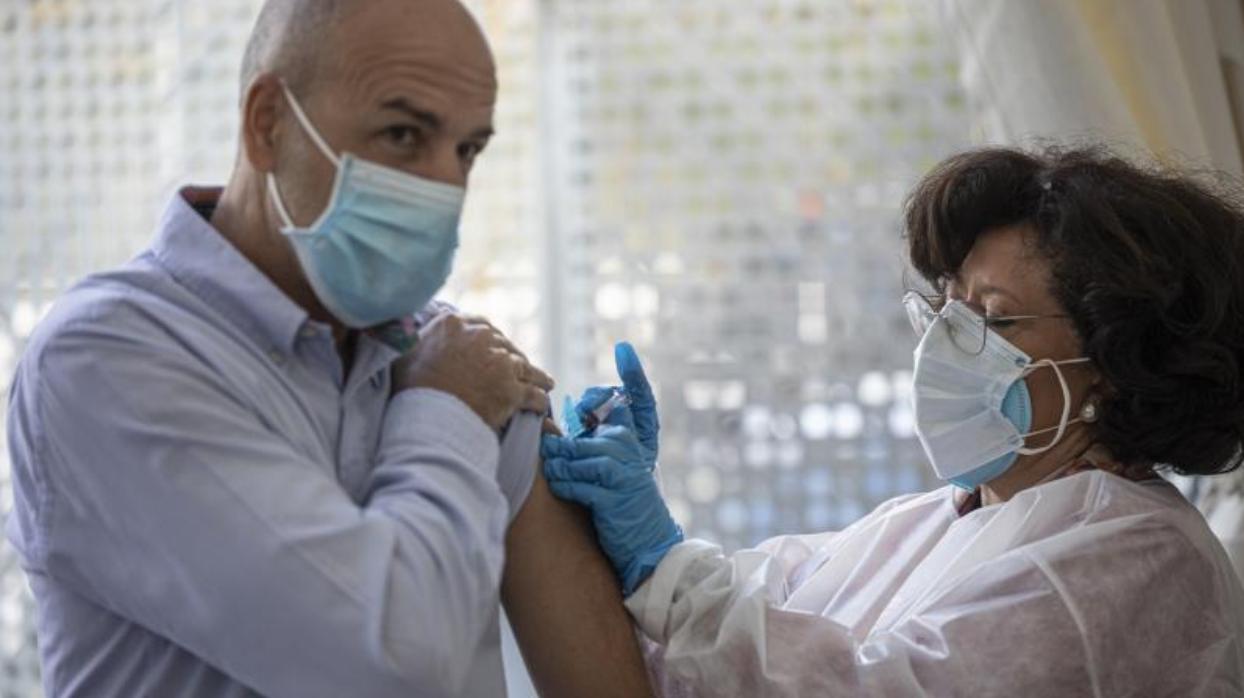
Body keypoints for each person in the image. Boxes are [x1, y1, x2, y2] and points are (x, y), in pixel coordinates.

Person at [4, 1, 652, 696]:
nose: (444, 187)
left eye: (467, 150)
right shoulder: (105, 360)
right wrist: (443, 415)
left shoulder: (458, 358)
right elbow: (383, 664)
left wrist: (663, 569)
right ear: (267, 125)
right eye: (403, 134)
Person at [542, 146, 1244, 695]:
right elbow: (757, 616)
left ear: (1116, 361)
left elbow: (863, 688)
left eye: (995, 319)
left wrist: (657, 560)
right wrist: (630, 530)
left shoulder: (1140, 556)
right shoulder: (937, 520)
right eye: (947, 309)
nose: (946, 344)